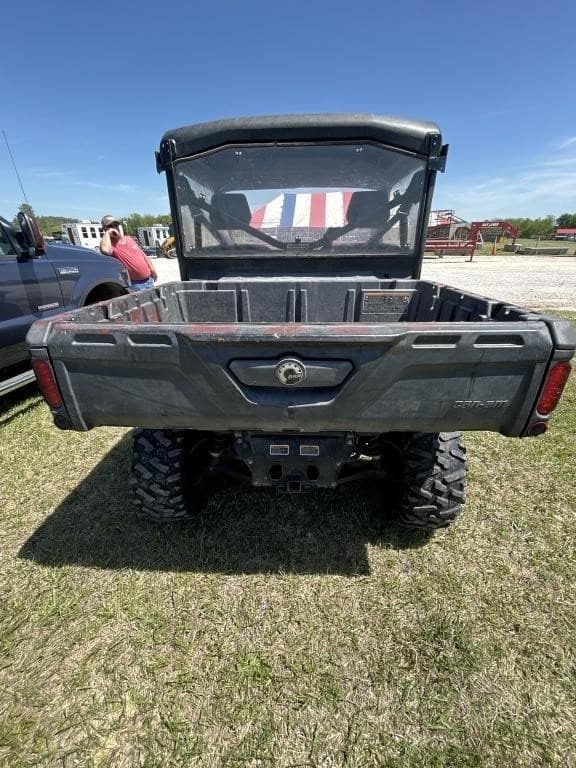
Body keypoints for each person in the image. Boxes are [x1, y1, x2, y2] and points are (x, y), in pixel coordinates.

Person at [99, 215, 158, 292]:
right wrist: (108, 232)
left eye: (116, 225)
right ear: (104, 228)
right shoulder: (109, 245)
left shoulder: (129, 238)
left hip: (149, 280)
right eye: (110, 226)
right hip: (135, 285)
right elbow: (105, 250)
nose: (114, 228)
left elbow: (143, 255)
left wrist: (153, 270)